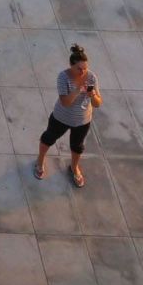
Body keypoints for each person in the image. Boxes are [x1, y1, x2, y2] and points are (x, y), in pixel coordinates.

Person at [34, 43, 102, 185]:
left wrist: (92, 95)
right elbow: (65, 102)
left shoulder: (92, 77)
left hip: (82, 120)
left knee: (77, 146)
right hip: (61, 117)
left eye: (85, 68)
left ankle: (74, 167)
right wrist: (77, 90)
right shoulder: (63, 77)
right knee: (48, 138)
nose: (83, 71)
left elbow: (97, 103)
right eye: (79, 68)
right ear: (71, 65)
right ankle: (40, 161)